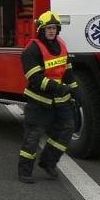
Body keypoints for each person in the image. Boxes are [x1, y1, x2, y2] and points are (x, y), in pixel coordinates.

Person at [17, 11, 78, 183]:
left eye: (54, 28)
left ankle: (48, 162)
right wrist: (58, 87)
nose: (51, 31)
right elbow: (35, 79)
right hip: (39, 101)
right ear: (41, 30)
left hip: (60, 100)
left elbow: (68, 71)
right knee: (33, 136)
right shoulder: (32, 50)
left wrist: (75, 89)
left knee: (66, 129)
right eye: (48, 28)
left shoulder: (62, 45)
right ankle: (25, 171)